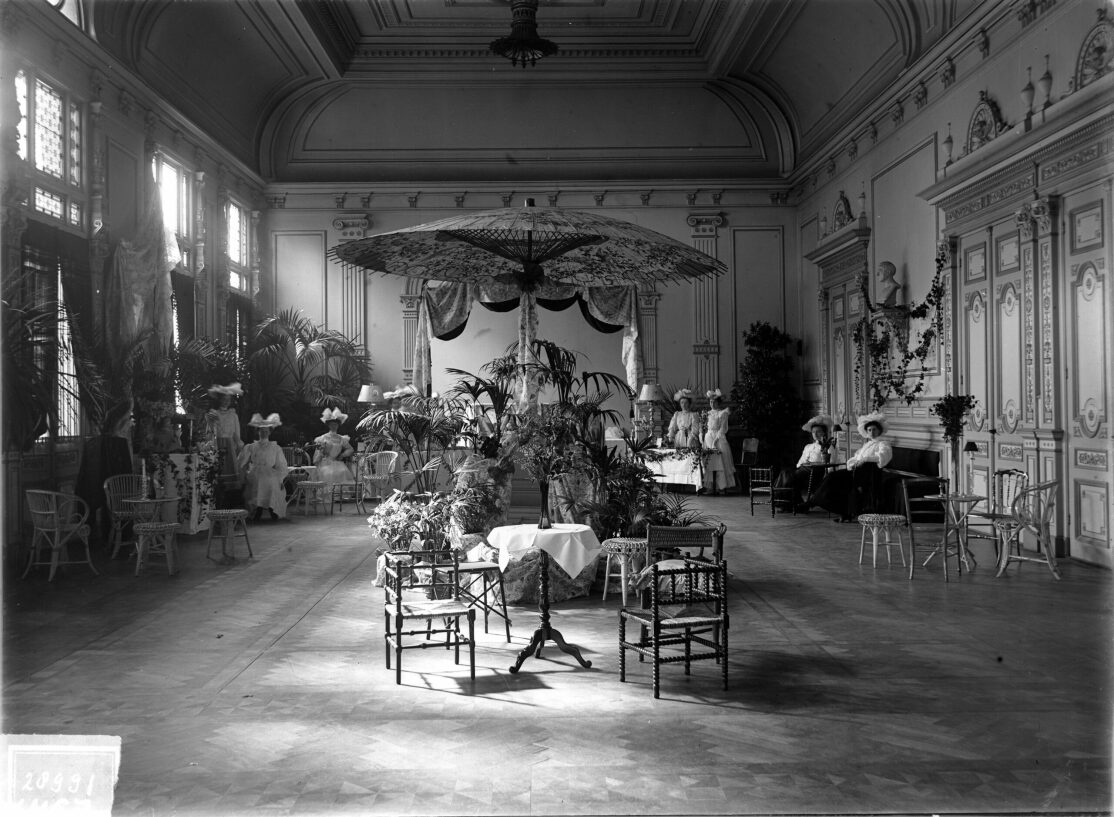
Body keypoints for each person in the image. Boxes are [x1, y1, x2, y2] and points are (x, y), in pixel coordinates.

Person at [810, 411, 893, 521]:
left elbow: (883, 457)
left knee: (833, 478)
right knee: (831, 477)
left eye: (874, 429)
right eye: (869, 430)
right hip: (856, 472)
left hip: (868, 475)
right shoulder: (867, 445)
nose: (872, 432)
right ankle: (820, 502)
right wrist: (852, 463)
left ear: (879, 430)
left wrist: (865, 459)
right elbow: (857, 457)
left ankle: (814, 502)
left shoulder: (883, 444)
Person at [75, 399, 136, 542]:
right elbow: (123, 477)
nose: (132, 422)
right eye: (130, 418)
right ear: (121, 421)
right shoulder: (116, 446)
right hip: (110, 495)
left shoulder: (94, 444)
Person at [776, 414, 843, 511]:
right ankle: (792, 504)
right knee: (786, 474)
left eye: (818, 431)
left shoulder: (828, 446)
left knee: (786, 475)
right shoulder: (808, 446)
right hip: (802, 471)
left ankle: (785, 503)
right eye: (813, 432)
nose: (815, 434)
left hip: (816, 473)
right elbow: (799, 463)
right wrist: (804, 465)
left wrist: (827, 476)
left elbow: (831, 463)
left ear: (824, 432)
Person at [238, 413, 290, 521]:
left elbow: (281, 465)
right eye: (261, 431)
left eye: (266, 431)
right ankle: (258, 509)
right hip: (255, 473)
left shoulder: (275, 447)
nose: (264, 433)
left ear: (270, 432)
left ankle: (272, 508)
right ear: (258, 432)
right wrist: (243, 474)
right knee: (258, 481)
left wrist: (280, 479)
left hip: (270, 472)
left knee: (271, 482)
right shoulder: (251, 447)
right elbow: (242, 462)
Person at [207, 383, 245, 490]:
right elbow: (210, 431)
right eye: (224, 399)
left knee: (230, 468)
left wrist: (239, 446)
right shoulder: (214, 413)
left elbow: (236, 433)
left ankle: (229, 494)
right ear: (220, 400)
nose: (226, 401)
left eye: (228, 399)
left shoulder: (233, 415)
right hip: (217, 444)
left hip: (229, 445)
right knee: (218, 469)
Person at [701, 389, 736, 494]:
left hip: (719, 438)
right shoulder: (706, 414)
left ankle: (721, 487)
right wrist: (702, 438)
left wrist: (716, 440)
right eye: (710, 402)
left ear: (718, 403)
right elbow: (703, 427)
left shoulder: (722, 413)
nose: (712, 404)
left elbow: (723, 429)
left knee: (721, 461)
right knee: (708, 462)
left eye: (714, 402)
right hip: (708, 437)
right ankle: (710, 487)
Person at [313, 407, 356, 486]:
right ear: (329, 426)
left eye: (335, 424)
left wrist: (342, 455)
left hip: (336, 462)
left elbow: (350, 449)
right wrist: (321, 453)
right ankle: (328, 492)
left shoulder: (341, 438)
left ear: (338, 425)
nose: (334, 426)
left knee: (343, 471)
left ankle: (339, 493)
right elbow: (317, 454)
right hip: (325, 463)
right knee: (329, 473)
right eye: (332, 425)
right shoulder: (323, 438)